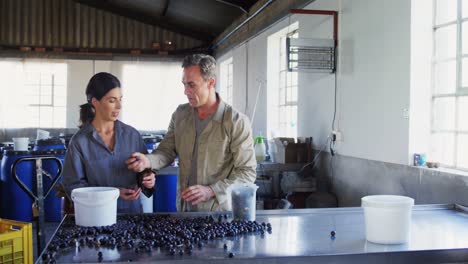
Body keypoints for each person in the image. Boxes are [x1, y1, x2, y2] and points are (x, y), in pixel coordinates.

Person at [126, 54, 257, 212]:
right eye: (184, 84)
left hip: (219, 214)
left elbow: (247, 173)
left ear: (210, 83)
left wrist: (212, 190)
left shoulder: (235, 122)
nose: (185, 91)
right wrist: (148, 161)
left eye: (191, 85)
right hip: (184, 210)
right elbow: (166, 151)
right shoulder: (180, 115)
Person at [63, 72, 155, 214]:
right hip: (96, 218)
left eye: (120, 99)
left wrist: (148, 179)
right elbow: (74, 189)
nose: (119, 106)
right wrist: (114, 193)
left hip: (132, 217)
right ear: (95, 102)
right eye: (112, 100)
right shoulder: (79, 142)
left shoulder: (132, 135)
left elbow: (145, 172)